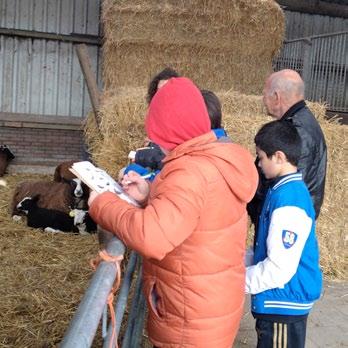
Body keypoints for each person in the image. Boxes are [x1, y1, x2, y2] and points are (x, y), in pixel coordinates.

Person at [88, 77, 258, 347]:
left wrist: (103, 204)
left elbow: (152, 237)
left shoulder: (189, 170)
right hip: (211, 304)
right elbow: (194, 214)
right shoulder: (218, 159)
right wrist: (148, 195)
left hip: (189, 317)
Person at [246, 120, 322, 348]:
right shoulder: (280, 190)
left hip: (283, 304)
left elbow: (279, 269)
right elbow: (267, 249)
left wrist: (236, 280)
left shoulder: (290, 200)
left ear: (279, 156)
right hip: (279, 303)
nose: (258, 164)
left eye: (261, 157)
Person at [247, 69, 327, 230]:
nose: (263, 100)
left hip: (283, 224)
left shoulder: (297, 131)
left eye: (264, 95)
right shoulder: (303, 123)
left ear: (276, 97)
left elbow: (290, 183)